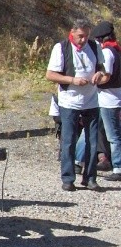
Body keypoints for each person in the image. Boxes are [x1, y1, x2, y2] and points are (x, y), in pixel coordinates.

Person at [45, 18, 109, 191]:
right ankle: (68, 178)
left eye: (86, 36)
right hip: (69, 101)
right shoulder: (61, 48)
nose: (83, 40)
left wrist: (100, 76)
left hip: (91, 101)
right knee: (68, 140)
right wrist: (72, 80)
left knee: (92, 141)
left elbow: (105, 74)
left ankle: (90, 178)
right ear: (72, 32)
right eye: (80, 36)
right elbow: (50, 74)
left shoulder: (95, 46)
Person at [92, 21, 121, 181]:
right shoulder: (116, 49)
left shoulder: (109, 52)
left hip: (109, 100)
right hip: (108, 99)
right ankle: (77, 159)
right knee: (93, 131)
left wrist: (90, 81)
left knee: (113, 136)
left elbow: (106, 77)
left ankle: (118, 168)